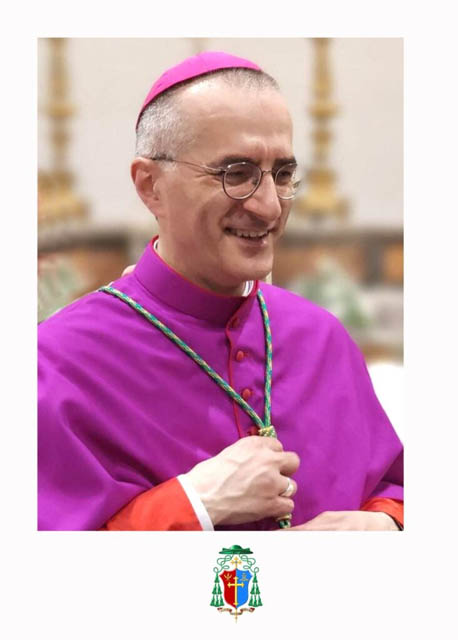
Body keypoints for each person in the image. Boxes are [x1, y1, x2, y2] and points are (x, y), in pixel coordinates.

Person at [38, 51, 403, 531]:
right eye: (236, 174)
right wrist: (193, 504)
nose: (269, 207)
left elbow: (395, 487)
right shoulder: (56, 362)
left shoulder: (321, 337)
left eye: (283, 175)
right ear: (150, 186)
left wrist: (383, 525)